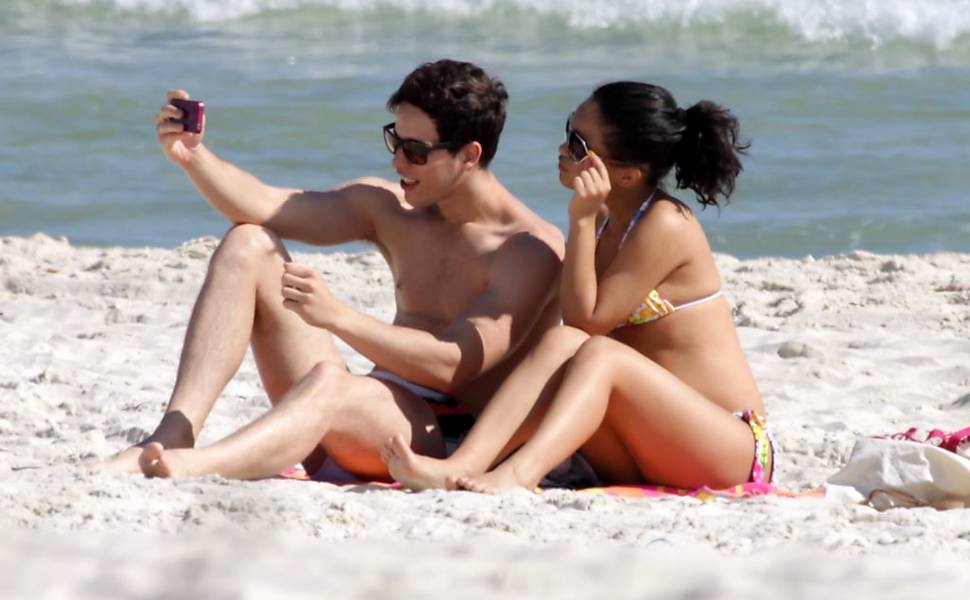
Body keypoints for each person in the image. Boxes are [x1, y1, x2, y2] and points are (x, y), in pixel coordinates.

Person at [93, 59, 564, 481]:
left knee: (328, 383)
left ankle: (197, 468)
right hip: (367, 411)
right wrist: (194, 157)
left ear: (470, 155)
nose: (398, 161)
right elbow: (265, 204)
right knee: (248, 242)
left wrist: (338, 317)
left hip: (442, 437)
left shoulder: (528, 249)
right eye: (394, 141)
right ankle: (175, 432)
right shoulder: (391, 208)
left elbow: (454, 365)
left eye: (416, 152)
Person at [382, 80, 772, 493]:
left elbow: (590, 324)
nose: (563, 150)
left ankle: (517, 475)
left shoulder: (666, 223)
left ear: (625, 174)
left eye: (580, 144)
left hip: (728, 446)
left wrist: (581, 220)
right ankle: (461, 466)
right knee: (558, 343)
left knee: (602, 353)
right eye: (568, 130)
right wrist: (587, 221)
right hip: (651, 440)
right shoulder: (607, 219)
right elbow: (572, 323)